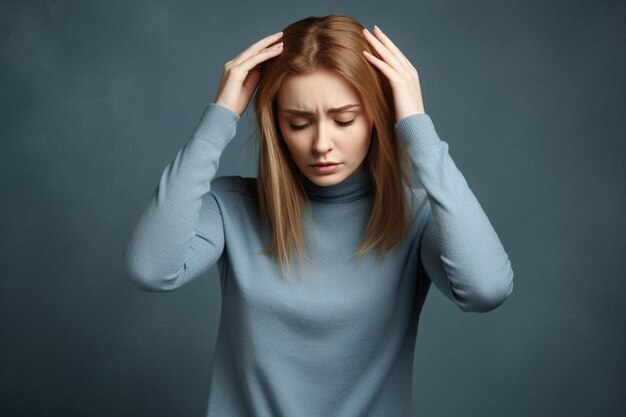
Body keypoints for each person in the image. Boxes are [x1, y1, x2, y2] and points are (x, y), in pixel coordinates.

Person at [123, 14, 514, 417]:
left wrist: (417, 128)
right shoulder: (231, 206)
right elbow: (151, 268)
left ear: (377, 118)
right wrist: (220, 117)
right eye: (299, 122)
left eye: (345, 120)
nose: (322, 144)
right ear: (276, 125)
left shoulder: (415, 216)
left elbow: (486, 289)